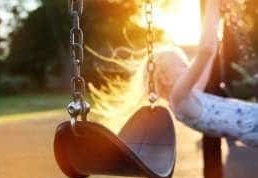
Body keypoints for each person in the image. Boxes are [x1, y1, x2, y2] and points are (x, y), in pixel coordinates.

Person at [92, 0, 257, 147]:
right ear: (165, 78)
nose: (188, 67)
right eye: (181, 64)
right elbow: (206, 50)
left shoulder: (193, 94)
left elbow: (210, 53)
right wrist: (211, 4)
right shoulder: (179, 99)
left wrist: (216, 15)